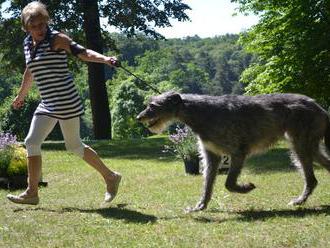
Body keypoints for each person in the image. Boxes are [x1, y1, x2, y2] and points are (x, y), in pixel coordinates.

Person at [7, 1, 121, 205]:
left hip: (66, 100)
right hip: (48, 101)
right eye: (34, 26)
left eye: (42, 24)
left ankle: (111, 177)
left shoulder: (57, 38)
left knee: (75, 146)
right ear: (26, 27)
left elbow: (83, 53)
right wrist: (21, 95)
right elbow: (30, 69)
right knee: (32, 142)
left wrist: (105, 59)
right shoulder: (27, 43)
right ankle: (32, 193)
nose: (40, 29)